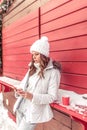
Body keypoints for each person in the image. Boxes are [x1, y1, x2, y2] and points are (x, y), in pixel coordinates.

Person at [13, 36, 61, 130]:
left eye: (37, 54)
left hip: (32, 112)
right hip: (21, 107)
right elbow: (24, 85)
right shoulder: (32, 68)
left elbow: (52, 97)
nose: (33, 57)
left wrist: (32, 96)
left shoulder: (53, 72)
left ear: (43, 55)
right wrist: (18, 90)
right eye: (33, 54)